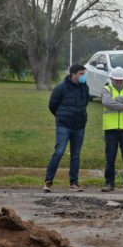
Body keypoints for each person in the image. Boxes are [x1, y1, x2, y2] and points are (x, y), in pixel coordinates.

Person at [44, 64, 90, 192]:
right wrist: (61, 117)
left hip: (79, 126)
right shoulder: (61, 88)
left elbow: (85, 102)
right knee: (59, 152)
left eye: (84, 74)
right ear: (73, 74)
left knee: (76, 155)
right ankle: (48, 181)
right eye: (81, 74)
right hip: (64, 125)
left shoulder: (84, 87)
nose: (83, 76)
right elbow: (52, 105)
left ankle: (74, 183)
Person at [100, 67, 123, 193]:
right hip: (110, 129)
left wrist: (115, 100)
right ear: (112, 79)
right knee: (110, 158)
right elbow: (106, 102)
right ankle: (109, 183)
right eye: (117, 80)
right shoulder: (107, 89)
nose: (119, 82)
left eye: (121, 80)